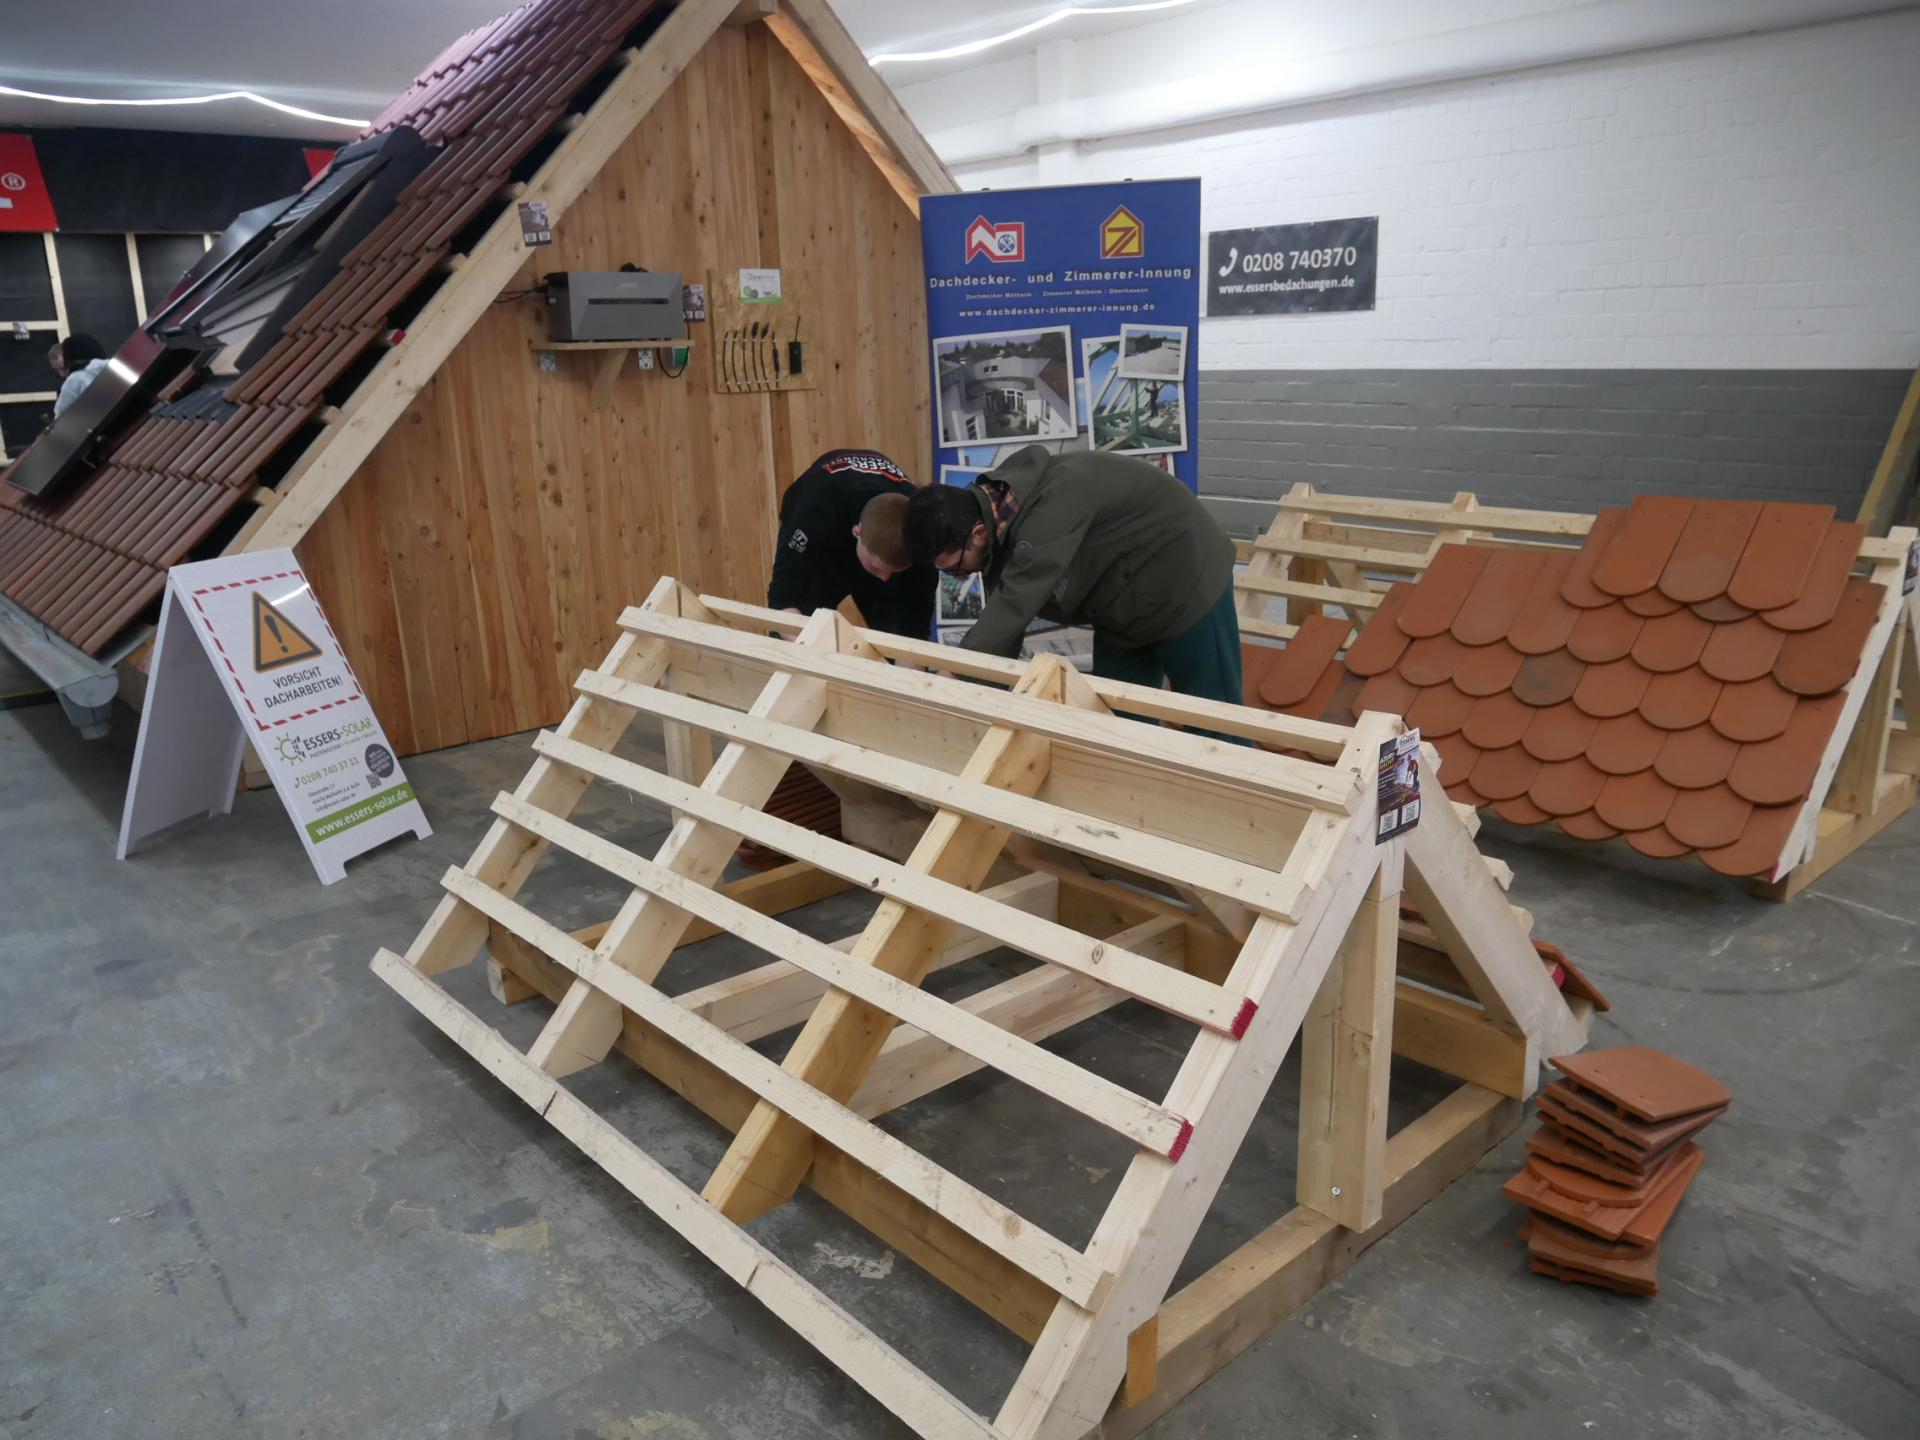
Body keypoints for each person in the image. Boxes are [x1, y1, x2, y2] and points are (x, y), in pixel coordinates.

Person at [902, 444, 1244, 707]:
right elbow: (1002, 630)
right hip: (1123, 609)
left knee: (1214, 724)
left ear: (976, 533)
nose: (959, 578)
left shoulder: (1049, 511)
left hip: (1188, 585)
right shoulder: (998, 526)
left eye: (956, 568)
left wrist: (953, 675)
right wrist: (974, 693)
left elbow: (1014, 605)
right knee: (1114, 724)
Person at [767, 447, 938, 639]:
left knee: (896, 633)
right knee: (803, 629)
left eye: (894, 571)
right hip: (827, 543)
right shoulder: (813, 513)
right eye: (877, 567)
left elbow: (913, 639)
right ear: (857, 532)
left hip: (870, 534)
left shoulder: (921, 536)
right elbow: (783, 605)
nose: (884, 578)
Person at [49, 334, 109, 417]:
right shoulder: (117, 367)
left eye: (64, 368)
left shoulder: (75, 380)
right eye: (57, 370)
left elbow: (60, 420)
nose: (61, 374)